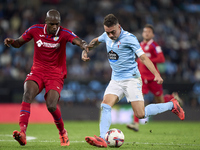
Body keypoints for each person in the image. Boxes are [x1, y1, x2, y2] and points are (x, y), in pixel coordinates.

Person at [82, 14, 185, 148]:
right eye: (108, 32)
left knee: (140, 114)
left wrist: (156, 74)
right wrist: (87, 49)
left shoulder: (129, 38)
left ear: (119, 27)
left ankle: (172, 105)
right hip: (116, 79)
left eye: (113, 32)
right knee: (105, 105)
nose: (111, 35)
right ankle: (102, 138)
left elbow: (143, 58)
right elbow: (97, 40)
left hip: (131, 79)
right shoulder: (106, 35)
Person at [4, 9, 88, 146]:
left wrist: (85, 46)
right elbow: (19, 43)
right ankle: (22, 133)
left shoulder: (63, 32)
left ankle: (62, 132)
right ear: (46, 22)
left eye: (57, 24)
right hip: (37, 71)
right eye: (52, 24)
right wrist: (12, 41)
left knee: (51, 105)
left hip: (55, 74)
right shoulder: (35, 30)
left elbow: (78, 40)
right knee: (27, 94)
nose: (55, 27)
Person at [126, 24, 183, 132]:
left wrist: (148, 59)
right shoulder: (139, 45)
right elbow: (139, 60)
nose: (146, 33)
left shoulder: (154, 45)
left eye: (148, 32)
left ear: (152, 34)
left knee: (160, 102)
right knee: (138, 99)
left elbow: (161, 59)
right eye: (145, 31)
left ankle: (172, 97)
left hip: (153, 78)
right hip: (142, 78)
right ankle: (135, 124)